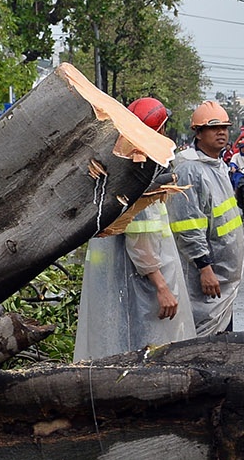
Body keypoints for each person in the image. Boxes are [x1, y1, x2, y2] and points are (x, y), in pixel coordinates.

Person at [76, 97, 195, 360]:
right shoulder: (141, 169)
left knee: (118, 344)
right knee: (146, 350)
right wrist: (162, 287)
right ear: (160, 129)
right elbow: (140, 237)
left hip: (116, 277)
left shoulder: (118, 159)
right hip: (141, 283)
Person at [165, 100, 244, 335]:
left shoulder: (216, 165)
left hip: (223, 277)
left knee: (223, 341)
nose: (221, 132)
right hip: (207, 276)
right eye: (214, 128)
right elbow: (188, 225)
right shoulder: (190, 169)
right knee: (204, 341)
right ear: (198, 133)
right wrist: (204, 268)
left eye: (224, 127)